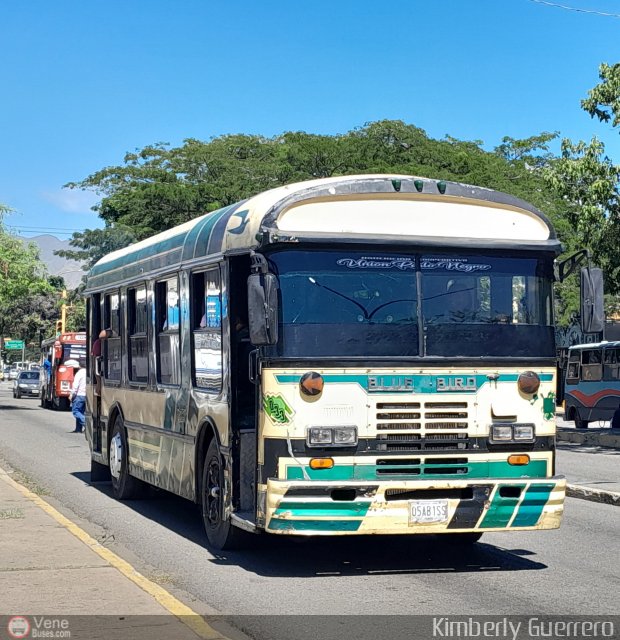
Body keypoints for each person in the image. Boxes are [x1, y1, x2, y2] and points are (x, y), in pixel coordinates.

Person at [70, 359, 86, 433]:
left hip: (79, 395)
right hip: (87, 395)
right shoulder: (88, 372)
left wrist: (72, 394)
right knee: (81, 411)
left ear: (79, 366)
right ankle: (78, 429)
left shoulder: (79, 373)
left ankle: (86, 423)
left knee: (75, 411)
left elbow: (75, 385)